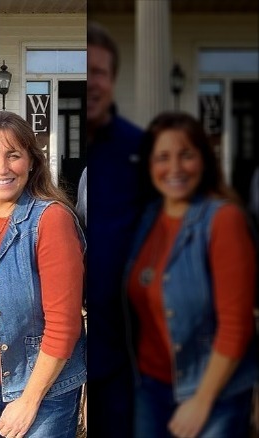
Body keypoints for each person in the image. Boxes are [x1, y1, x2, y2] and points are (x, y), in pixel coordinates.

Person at [0, 111, 86, 438]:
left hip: (41, 392)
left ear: (31, 161)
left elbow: (64, 325)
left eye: (13, 155)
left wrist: (28, 400)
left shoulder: (50, 220)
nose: (2, 169)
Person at [125, 111, 257, 437]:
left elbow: (237, 325)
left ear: (204, 159)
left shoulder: (223, 221)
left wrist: (202, 400)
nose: (175, 168)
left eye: (186, 155)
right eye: (163, 157)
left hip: (213, 392)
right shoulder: (149, 217)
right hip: (150, 386)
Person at [82, 21, 144, 438]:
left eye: (99, 72)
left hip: (141, 346)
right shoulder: (88, 171)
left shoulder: (143, 150)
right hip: (97, 345)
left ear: (113, 79)